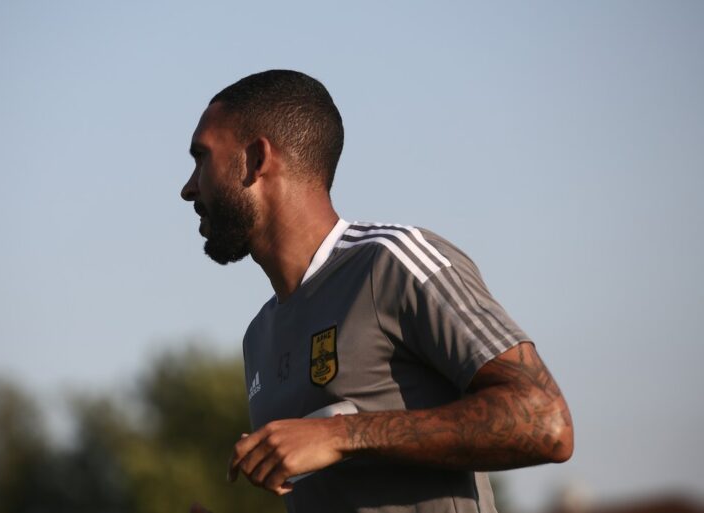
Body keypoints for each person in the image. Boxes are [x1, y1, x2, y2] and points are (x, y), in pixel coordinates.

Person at [180, 70, 573, 513]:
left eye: (201, 158)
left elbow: (546, 421)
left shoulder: (392, 262)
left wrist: (341, 435)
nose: (189, 188)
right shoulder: (259, 336)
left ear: (256, 159)